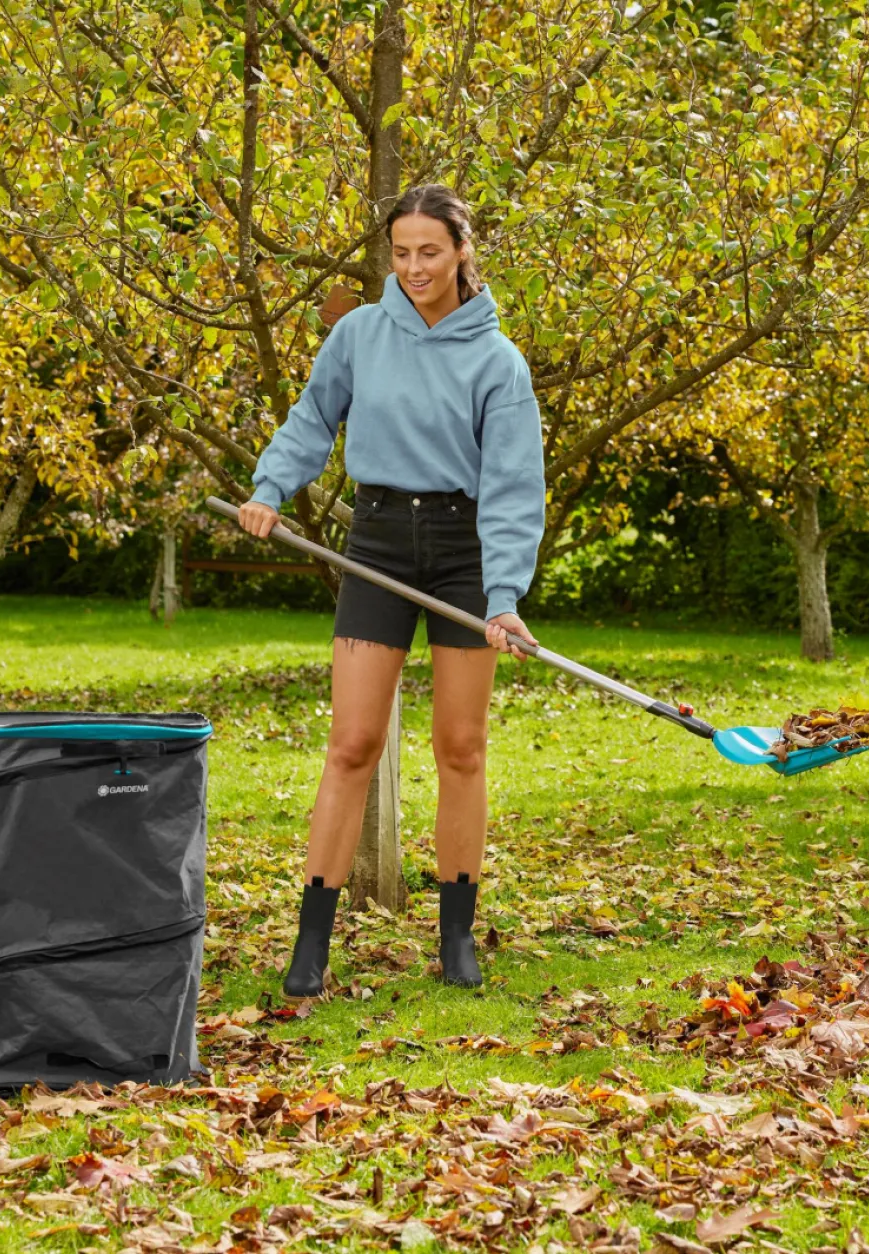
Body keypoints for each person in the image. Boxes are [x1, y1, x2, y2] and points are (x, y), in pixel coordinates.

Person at [237, 183, 545, 997]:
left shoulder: (498, 362)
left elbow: (514, 488)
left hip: (462, 552)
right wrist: (270, 489)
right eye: (401, 252)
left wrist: (504, 595)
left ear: (462, 252)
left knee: (461, 748)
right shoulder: (359, 336)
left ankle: (456, 939)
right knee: (352, 745)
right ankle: (311, 944)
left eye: (430, 252)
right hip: (376, 541)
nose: (414, 267)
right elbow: (311, 419)